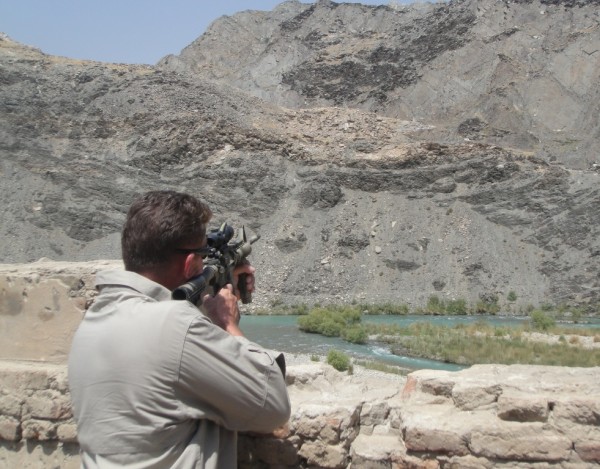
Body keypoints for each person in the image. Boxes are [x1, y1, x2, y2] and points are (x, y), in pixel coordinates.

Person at [68, 190, 291, 469]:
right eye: (201, 255)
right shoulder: (177, 327)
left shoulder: (93, 322)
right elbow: (273, 405)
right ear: (189, 263)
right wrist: (227, 323)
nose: (203, 263)